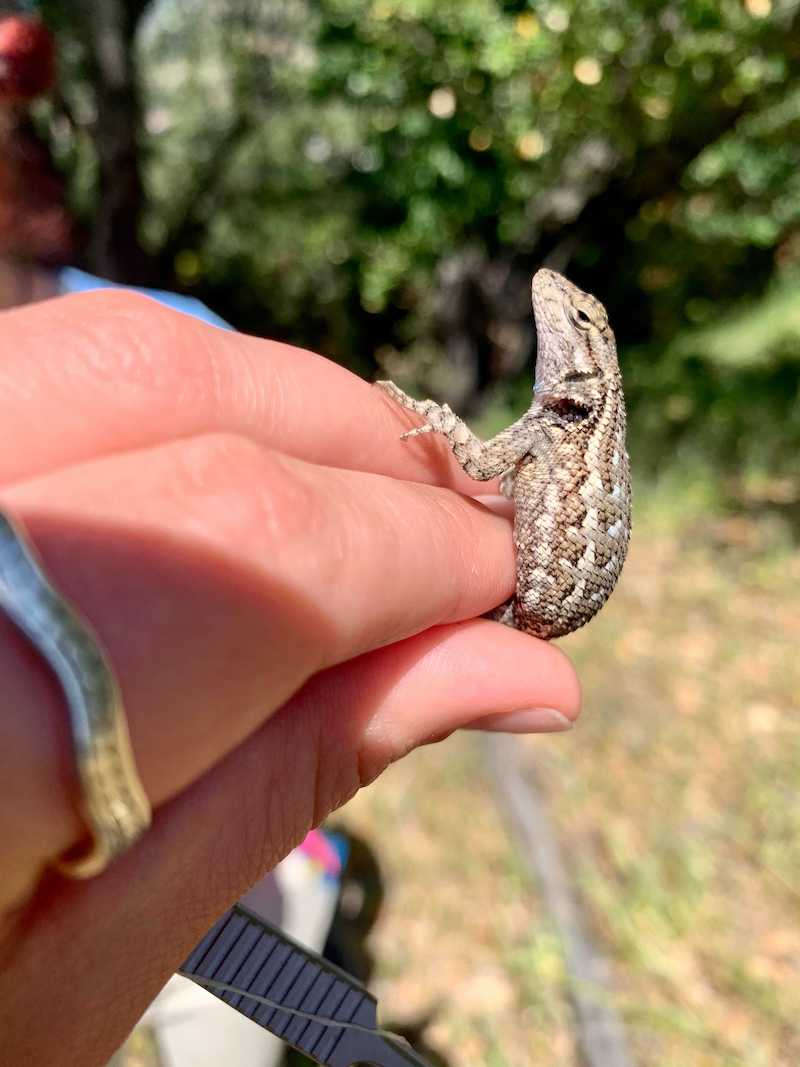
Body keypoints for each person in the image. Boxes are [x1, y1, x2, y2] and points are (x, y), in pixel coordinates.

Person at [0, 289, 580, 1065]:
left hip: (531, 584)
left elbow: (475, 465)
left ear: (587, 379)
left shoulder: (562, 425)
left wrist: (439, 422)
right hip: (528, 592)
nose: (556, 307)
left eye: (581, 325)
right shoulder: (560, 428)